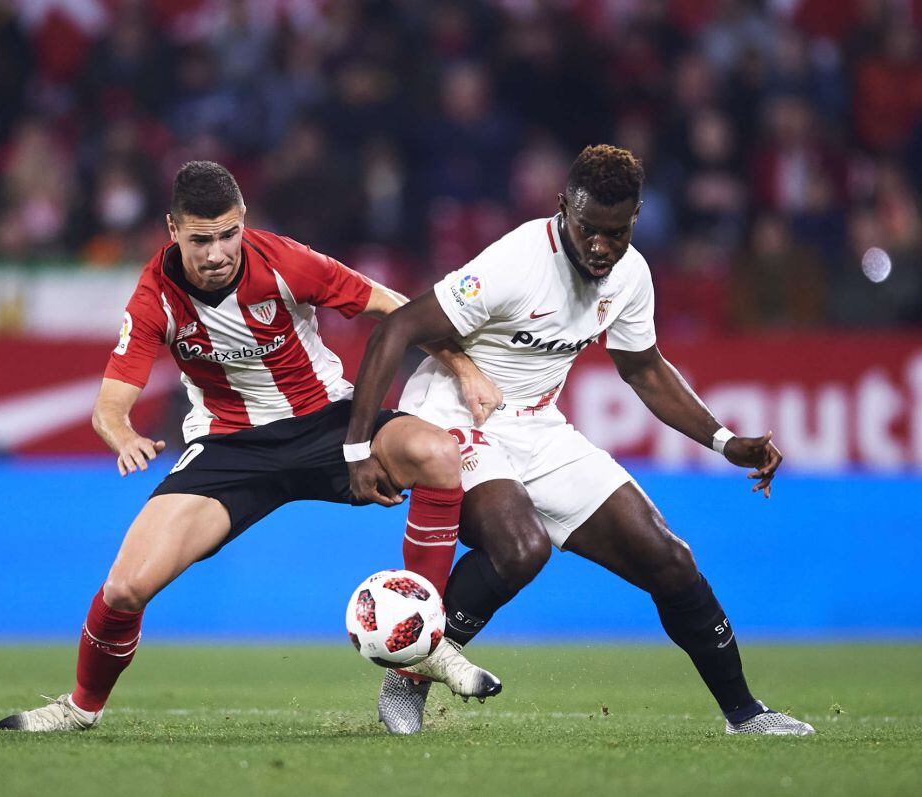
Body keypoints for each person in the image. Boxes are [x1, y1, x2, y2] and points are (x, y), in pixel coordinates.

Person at [0, 161, 502, 732]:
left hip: (327, 425)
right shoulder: (154, 297)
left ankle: (421, 649)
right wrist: (125, 435)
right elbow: (109, 406)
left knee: (436, 453)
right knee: (125, 587)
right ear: (172, 231)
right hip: (230, 450)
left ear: (244, 222)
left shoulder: (284, 262)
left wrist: (461, 366)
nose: (216, 253)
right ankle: (80, 708)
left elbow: (391, 307)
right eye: (200, 240)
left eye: (228, 234)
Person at [345, 145, 816, 737]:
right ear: (563, 206)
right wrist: (359, 449)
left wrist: (723, 441)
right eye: (588, 229)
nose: (600, 247)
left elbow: (643, 369)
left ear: (636, 218)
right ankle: (408, 677)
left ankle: (746, 714)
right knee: (522, 548)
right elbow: (397, 328)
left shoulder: (631, 275)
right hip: (453, 416)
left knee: (670, 560)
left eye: (615, 234)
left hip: (538, 428)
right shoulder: (517, 261)